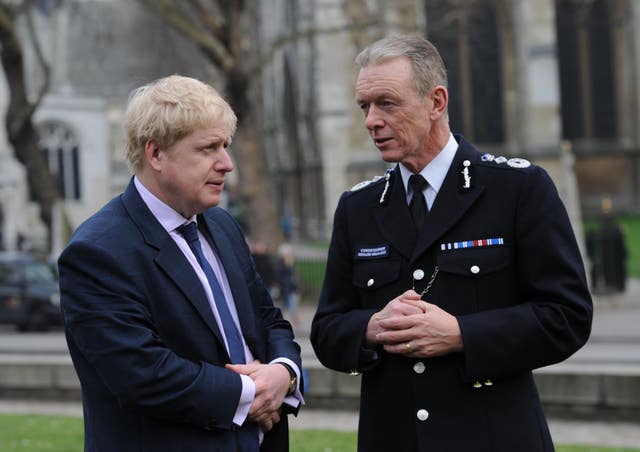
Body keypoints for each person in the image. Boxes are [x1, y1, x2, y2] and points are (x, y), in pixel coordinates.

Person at [310, 36, 592, 452]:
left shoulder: (516, 189)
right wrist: (371, 328)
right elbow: (327, 330)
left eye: (386, 103)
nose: (371, 120)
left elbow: (567, 316)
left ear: (436, 102)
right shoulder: (358, 207)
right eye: (364, 106)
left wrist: (462, 334)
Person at [59, 75, 303, 452]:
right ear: (156, 154)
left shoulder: (222, 225)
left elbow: (268, 320)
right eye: (209, 148)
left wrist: (284, 372)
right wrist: (253, 391)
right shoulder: (97, 252)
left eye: (226, 145)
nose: (227, 164)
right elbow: (143, 373)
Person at [275, 243, 300, 327]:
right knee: (290, 304)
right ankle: (295, 320)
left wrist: (295, 287)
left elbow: (293, 278)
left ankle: (281, 319)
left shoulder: (290, 264)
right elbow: (280, 276)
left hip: (290, 288)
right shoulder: (281, 265)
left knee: (287, 305)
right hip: (285, 288)